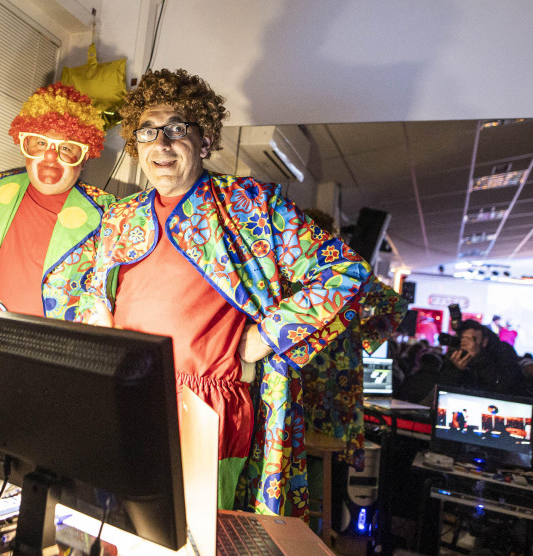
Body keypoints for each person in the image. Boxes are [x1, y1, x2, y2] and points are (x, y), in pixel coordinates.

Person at [78, 68, 373, 516]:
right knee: (116, 533)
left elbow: (347, 273)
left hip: (206, 408)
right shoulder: (122, 216)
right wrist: (98, 321)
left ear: (205, 138)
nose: (161, 143)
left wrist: (266, 336)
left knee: (191, 549)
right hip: (125, 399)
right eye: (147, 131)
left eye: (177, 129)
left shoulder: (250, 205)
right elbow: (93, 289)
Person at [0, 83, 114, 320]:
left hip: (56, 351)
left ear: (83, 157)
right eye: (40, 143)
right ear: (24, 145)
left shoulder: (108, 211)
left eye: (66, 147)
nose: (50, 157)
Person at [299, 210, 407, 471]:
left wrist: (360, 340)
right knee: (329, 459)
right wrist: (361, 341)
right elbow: (396, 305)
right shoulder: (351, 272)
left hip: (303, 371)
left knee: (298, 453)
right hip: (338, 374)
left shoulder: (293, 271)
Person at [440, 320, 525, 394]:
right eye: (464, 340)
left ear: (484, 341)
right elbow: (444, 386)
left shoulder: (502, 352)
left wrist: (479, 358)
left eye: (472, 339)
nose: (468, 344)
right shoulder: (457, 354)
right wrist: (457, 370)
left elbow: (506, 385)